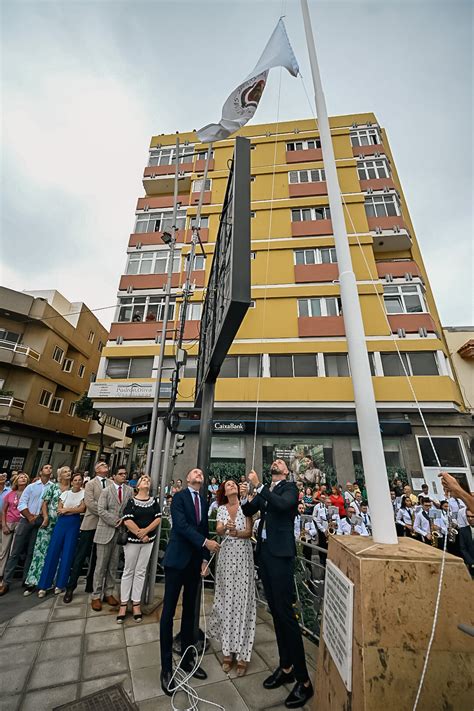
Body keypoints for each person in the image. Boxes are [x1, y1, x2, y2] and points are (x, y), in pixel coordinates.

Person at [241, 460, 314, 709]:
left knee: (286, 615)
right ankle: (287, 667)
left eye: (280, 462)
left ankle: (304, 681)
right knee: (276, 613)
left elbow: (282, 504)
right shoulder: (267, 492)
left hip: (281, 556)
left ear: (286, 472)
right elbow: (248, 511)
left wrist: (260, 486)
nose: (276, 462)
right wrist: (245, 495)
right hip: (266, 556)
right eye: (274, 461)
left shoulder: (290, 489)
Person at [160, 468, 219, 696]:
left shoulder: (204, 501)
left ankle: (187, 659)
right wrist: (206, 543)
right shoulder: (179, 497)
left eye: (202, 473)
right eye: (195, 472)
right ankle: (166, 668)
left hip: (195, 564)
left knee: (189, 613)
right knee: (168, 614)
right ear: (187, 479)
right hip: (176, 562)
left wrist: (205, 559)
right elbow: (182, 527)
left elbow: (203, 528)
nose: (199, 474)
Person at [209, 479, 256, 676]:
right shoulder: (221, 508)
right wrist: (226, 528)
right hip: (227, 556)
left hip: (243, 555)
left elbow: (249, 531)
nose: (231, 486)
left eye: (233, 484)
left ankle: (244, 654)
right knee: (227, 600)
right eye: (227, 485)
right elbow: (218, 530)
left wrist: (238, 532)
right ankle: (227, 652)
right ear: (224, 491)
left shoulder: (246, 506)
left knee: (243, 601)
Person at [0, 464, 52, 596]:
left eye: (51, 468)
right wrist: (29, 516)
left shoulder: (52, 487)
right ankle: (6, 582)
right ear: (40, 471)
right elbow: (22, 503)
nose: (49, 469)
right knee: (15, 551)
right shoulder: (32, 486)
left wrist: (42, 517)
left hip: (40, 520)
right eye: (46, 467)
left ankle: (27, 580)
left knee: (32, 552)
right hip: (26, 519)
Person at [63, 461, 110, 603]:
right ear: (97, 469)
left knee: (97, 557)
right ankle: (71, 587)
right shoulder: (90, 484)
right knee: (81, 555)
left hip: (104, 525)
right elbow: (89, 503)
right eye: (102, 464)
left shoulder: (110, 483)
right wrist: (105, 513)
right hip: (91, 522)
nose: (105, 466)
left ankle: (91, 583)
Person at [117, 474, 161, 623]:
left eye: (148, 480)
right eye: (143, 480)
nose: (146, 481)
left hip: (148, 540)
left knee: (141, 571)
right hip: (132, 541)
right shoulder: (132, 501)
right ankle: (123, 604)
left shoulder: (153, 501)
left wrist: (146, 531)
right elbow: (127, 519)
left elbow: (158, 518)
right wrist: (139, 533)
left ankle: (136, 603)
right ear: (138, 485)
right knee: (129, 570)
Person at [23, 466, 72, 595]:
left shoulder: (73, 489)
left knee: (58, 553)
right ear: (60, 475)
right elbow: (45, 503)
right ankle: (33, 581)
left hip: (63, 524)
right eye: (65, 472)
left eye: (69, 471)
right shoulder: (53, 487)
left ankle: (53, 581)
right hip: (49, 522)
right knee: (40, 551)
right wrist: (45, 517)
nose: (69, 473)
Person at [37, 473, 86, 596]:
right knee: (53, 551)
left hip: (73, 523)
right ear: (72, 481)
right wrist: (68, 510)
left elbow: (82, 509)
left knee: (68, 553)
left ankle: (60, 584)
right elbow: (59, 509)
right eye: (75, 480)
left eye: (80, 480)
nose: (77, 482)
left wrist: (67, 510)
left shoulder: (84, 493)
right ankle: (44, 585)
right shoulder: (65, 494)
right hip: (61, 523)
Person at [91, 467, 132, 611]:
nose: (123, 476)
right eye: (120, 474)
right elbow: (101, 510)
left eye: (125, 474)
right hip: (106, 530)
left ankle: (109, 592)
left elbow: (130, 508)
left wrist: (125, 520)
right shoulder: (106, 491)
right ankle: (96, 595)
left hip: (119, 533)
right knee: (101, 565)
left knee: (113, 565)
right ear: (113, 476)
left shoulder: (129, 490)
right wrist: (116, 520)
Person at [0, 473, 29, 581]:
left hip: (21, 522)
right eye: (21, 477)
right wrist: (4, 525)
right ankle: (1, 573)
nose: (23, 478)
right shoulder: (10, 494)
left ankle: (7, 577)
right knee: (4, 550)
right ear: (16, 481)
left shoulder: (28, 493)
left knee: (14, 551)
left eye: (25, 477)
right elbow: (4, 510)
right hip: (9, 521)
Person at [458, 510, 474, 576]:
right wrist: (471, 563)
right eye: (468, 516)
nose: (470, 519)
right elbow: (463, 548)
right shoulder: (462, 531)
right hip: (471, 565)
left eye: (473, 516)